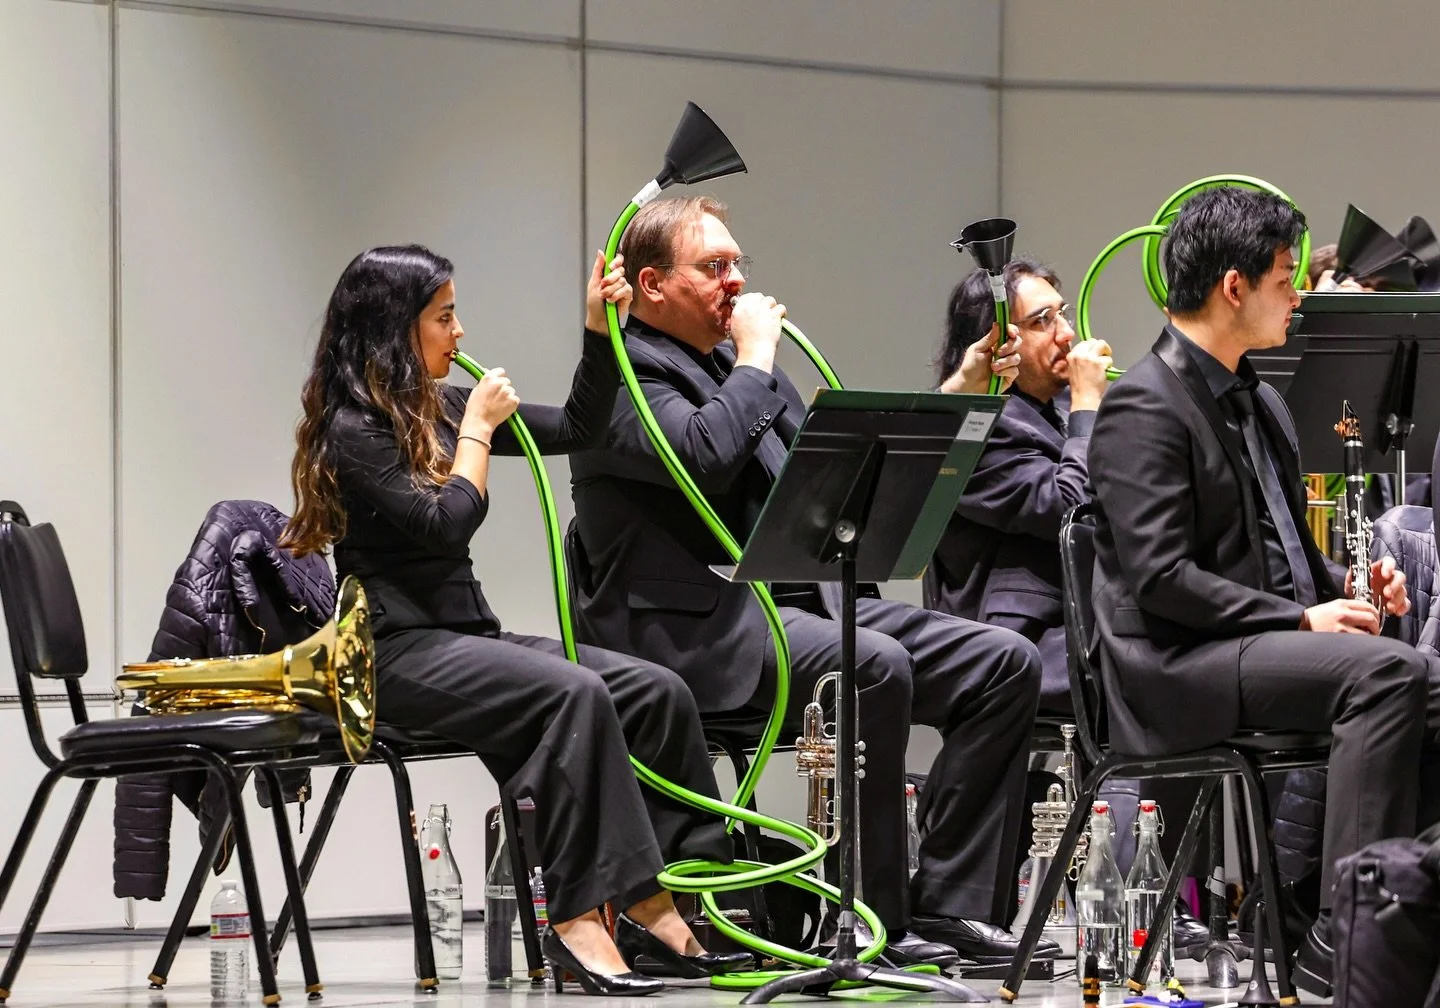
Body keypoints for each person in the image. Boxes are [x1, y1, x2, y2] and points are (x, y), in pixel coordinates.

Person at [568, 195, 1056, 967]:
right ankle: (871, 921)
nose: (734, 283)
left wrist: (961, 391)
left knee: (1003, 664)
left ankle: (952, 907)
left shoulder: (739, 369)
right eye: (713, 267)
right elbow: (705, 455)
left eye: (738, 265)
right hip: (696, 631)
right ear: (651, 284)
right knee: (870, 665)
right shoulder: (620, 380)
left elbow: (853, 470)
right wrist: (757, 359)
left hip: (803, 606)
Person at [279, 244, 750, 995]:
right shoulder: (353, 428)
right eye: (443, 316)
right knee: (572, 692)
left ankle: (675, 903)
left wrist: (601, 331)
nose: (459, 333)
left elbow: (579, 427)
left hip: (464, 639)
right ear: (394, 330)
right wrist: (476, 436)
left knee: (654, 691)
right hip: (396, 653)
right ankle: (580, 922)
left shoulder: (441, 405)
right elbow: (444, 526)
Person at [1086, 185, 1440, 996]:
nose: (1300, 294)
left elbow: (1283, 547)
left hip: (1249, 644)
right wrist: (1303, 618)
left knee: (1427, 677)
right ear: (1233, 287)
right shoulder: (1143, 403)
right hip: (1175, 664)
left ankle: (1412, 934)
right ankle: (1349, 946)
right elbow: (1160, 579)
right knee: (1389, 675)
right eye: (1288, 277)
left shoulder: (1263, 398)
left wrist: (1353, 590)